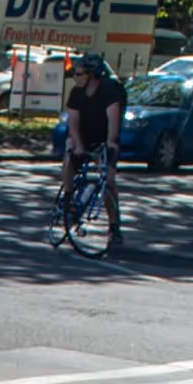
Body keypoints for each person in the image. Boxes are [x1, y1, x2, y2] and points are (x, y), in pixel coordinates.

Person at [62, 54, 124, 246]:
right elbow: (73, 123)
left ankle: (114, 226)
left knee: (109, 182)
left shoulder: (110, 91)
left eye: (78, 73)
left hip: (102, 138)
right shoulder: (76, 92)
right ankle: (68, 199)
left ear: (91, 76)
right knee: (70, 154)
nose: (75, 77)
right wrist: (79, 146)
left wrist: (111, 146)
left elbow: (113, 124)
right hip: (82, 136)